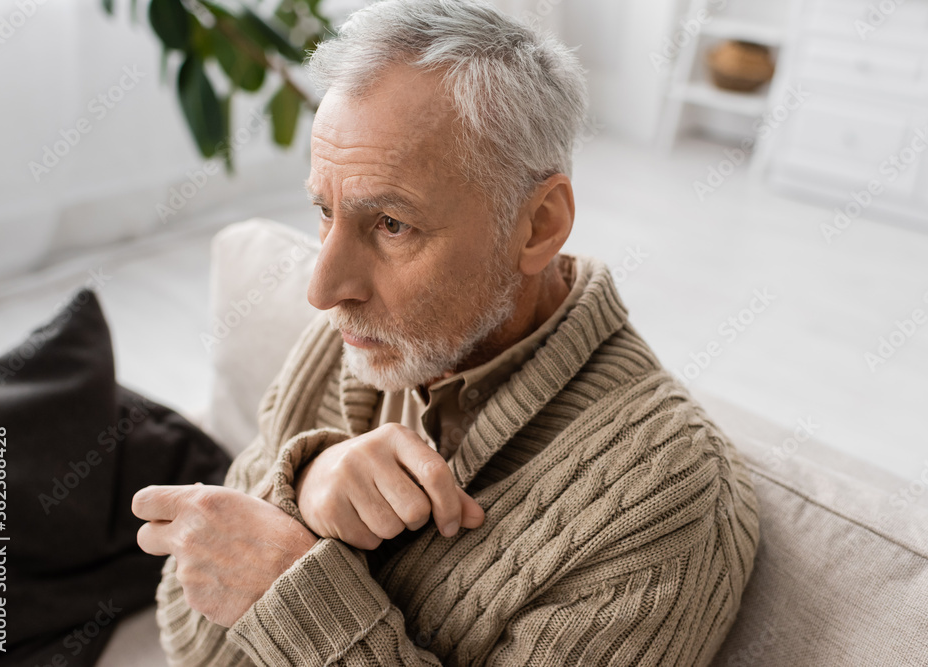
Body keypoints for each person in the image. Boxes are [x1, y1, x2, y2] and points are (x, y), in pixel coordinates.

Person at [132, 1, 759, 664]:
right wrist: (304, 488)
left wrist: (295, 578)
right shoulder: (356, 340)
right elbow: (191, 632)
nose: (322, 290)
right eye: (325, 211)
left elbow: (241, 591)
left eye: (392, 224)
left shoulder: (664, 497)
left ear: (540, 223)